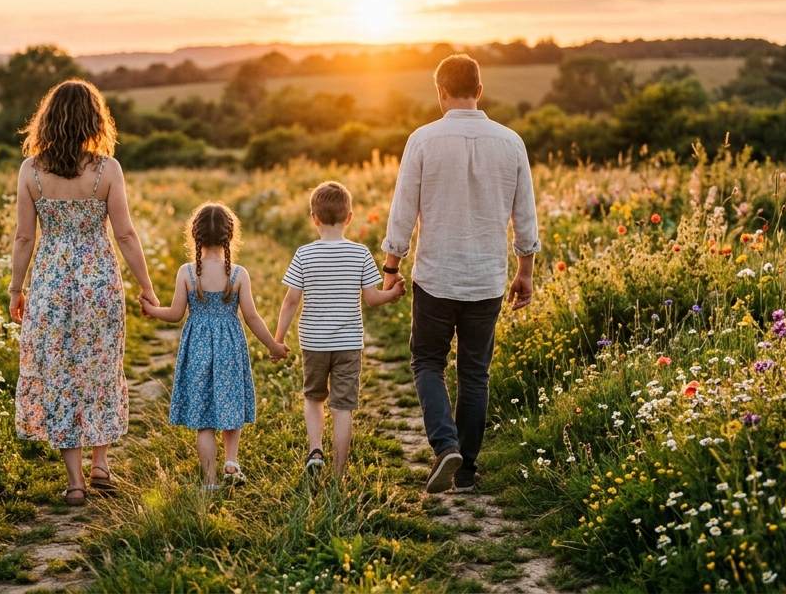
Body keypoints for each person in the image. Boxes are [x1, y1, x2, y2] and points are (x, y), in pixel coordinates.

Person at [381, 54, 540, 494]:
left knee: (427, 361)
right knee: (475, 373)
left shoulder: (423, 139)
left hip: (435, 275)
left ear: (440, 92)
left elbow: (403, 210)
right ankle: (466, 471)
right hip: (487, 278)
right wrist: (525, 269)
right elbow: (524, 214)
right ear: (480, 91)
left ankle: (444, 445)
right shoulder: (511, 142)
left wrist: (392, 267)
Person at [9, 79, 159, 507]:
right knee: (100, 368)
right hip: (99, 283)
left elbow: (24, 239)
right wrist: (146, 287)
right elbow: (125, 234)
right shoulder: (106, 170)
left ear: (48, 120)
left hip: (51, 285)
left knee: (60, 375)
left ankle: (75, 483)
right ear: (95, 119)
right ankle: (101, 465)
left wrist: (15, 289)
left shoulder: (31, 171)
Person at [142, 202, 288, 488]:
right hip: (230, 348)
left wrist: (152, 309)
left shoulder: (187, 272)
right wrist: (273, 346)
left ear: (194, 236)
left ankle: (210, 482)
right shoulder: (237, 274)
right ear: (229, 236)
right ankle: (231, 462)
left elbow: (174, 314)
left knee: (204, 419)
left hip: (196, 347)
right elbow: (252, 317)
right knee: (230, 406)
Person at [274, 181, 403, 475]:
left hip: (314, 343)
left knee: (313, 397)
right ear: (349, 217)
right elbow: (372, 299)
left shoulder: (304, 254)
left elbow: (291, 300)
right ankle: (339, 470)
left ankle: (315, 450)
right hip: (348, 344)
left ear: (314, 218)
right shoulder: (360, 254)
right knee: (342, 407)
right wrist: (392, 294)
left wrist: (278, 339)